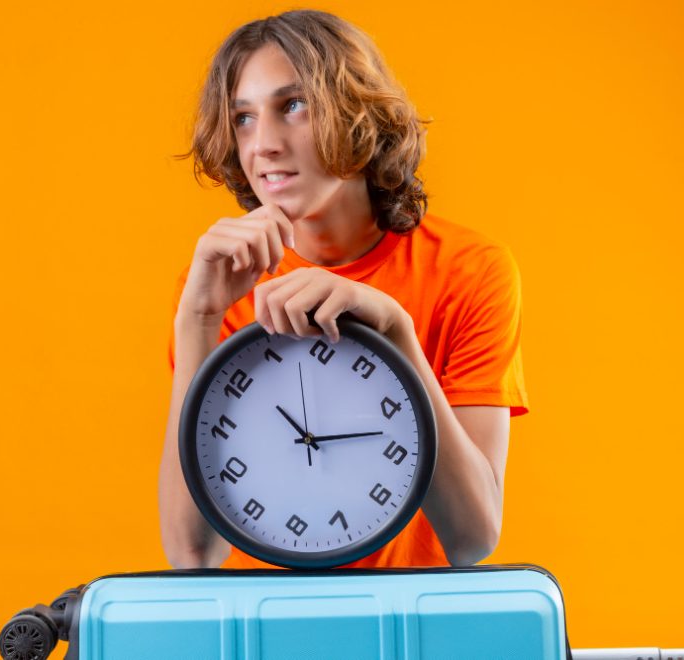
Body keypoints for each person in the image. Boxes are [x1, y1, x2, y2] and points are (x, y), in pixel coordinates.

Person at [159, 9, 528, 570]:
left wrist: (397, 331)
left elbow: (472, 537)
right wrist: (198, 321)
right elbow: (193, 554)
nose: (264, 145)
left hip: (409, 614)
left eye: (293, 105)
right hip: (268, 614)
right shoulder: (220, 283)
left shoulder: (469, 271)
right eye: (243, 118)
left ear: (359, 114)